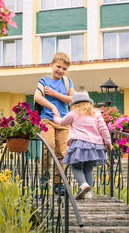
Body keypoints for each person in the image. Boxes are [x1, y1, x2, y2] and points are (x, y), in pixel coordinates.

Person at [54, 91, 113, 199]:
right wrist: (108, 141)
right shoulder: (96, 114)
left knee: (76, 167)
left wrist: (56, 117)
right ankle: (88, 193)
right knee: (88, 169)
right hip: (95, 145)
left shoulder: (74, 113)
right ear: (89, 103)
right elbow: (103, 128)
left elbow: (62, 122)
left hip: (79, 144)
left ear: (74, 104)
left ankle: (83, 184)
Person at [34, 52, 75, 195]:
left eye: (64, 69)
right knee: (48, 148)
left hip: (63, 121)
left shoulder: (68, 82)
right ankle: (44, 178)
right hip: (47, 119)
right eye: (58, 67)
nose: (61, 70)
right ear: (51, 65)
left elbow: (72, 99)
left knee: (62, 153)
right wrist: (52, 106)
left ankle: (59, 183)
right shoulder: (44, 81)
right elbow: (37, 97)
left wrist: (55, 94)